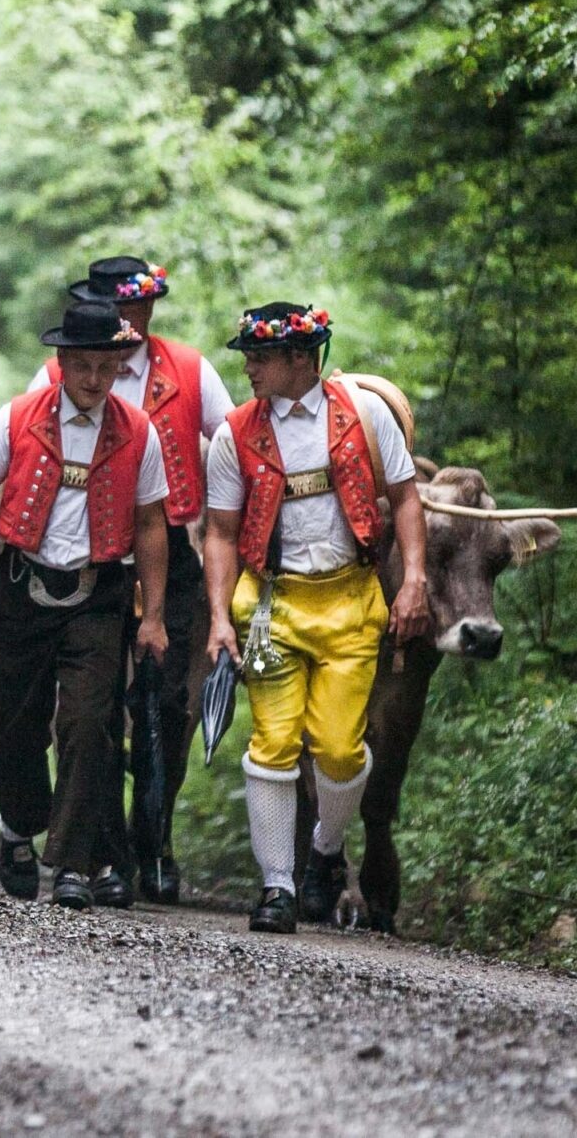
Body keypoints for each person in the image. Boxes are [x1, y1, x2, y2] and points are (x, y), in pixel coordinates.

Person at [0, 299, 171, 912]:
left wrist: (154, 615)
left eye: (106, 367)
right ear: (61, 361)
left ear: (119, 365)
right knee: (16, 726)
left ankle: (70, 862)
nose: (93, 379)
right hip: (20, 588)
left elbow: (149, 525)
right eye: (82, 365)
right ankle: (18, 829)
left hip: (98, 593)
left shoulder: (138, 431)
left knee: (91, 724)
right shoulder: (16, 418)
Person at [203, 302, 428, 934]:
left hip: (352, 602)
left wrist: (413, 578)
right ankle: (277, 885)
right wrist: (220, 616)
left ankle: (326, 851)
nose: (247, 366)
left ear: (301, 359)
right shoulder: (233, 433)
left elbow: (406, 500)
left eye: (259, 356)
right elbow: (219, 533)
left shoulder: (367, 415)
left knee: (337, 748)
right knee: (273, 743)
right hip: (271, 604)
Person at [28, 256, 234, 903]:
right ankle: (107, 856)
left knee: (166, 703)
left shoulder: (193, 371)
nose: (129, 320)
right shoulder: (61, 371)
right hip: (87, 551)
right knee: (92, 708)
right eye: (118, 308)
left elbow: (234, 441)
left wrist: (233, 528)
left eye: (139, 307)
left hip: (166, 550)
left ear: (151, 309)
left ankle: (157, 839)